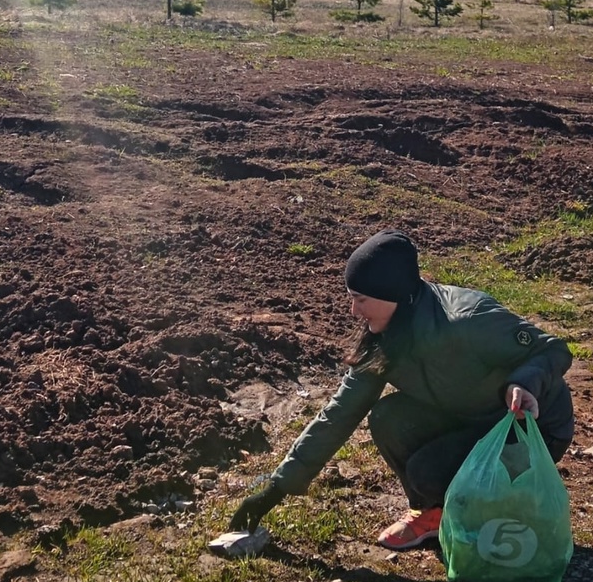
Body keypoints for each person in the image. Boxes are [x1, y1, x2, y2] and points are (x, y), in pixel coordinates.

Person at [230, 229, 575, 550]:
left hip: (529, 429)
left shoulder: (466, 319)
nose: (353, 311)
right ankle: (434, 513)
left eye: (361, 299)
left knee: (429, 472)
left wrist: (522, 383)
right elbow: (340, 413)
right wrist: (274, 490)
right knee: (388, 417)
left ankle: (501, 513)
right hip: (468, 417)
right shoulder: (386, 337)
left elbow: (552, 350)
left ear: (391, 293)